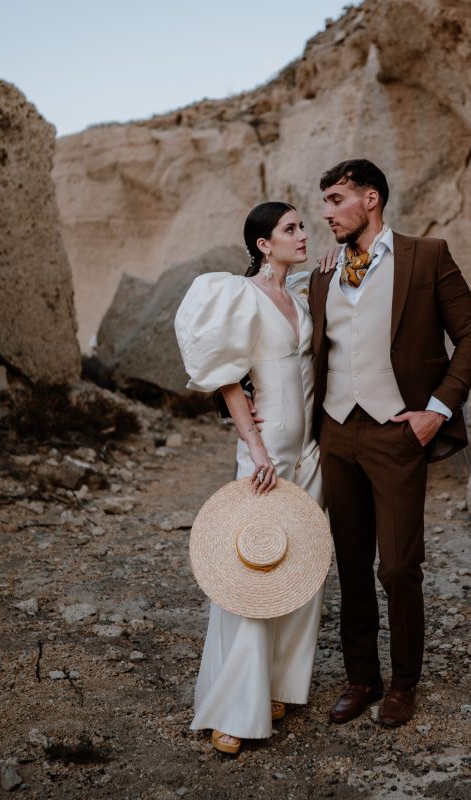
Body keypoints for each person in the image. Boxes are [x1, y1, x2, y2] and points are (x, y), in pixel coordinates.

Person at [308, 159, 471, 727]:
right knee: (353, 563)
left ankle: (404, 683)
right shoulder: (323, 271)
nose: (327, 212)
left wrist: (437, 410)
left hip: (397, 429)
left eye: (337, 199)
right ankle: (363, 677)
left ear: (372, 199)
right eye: (325, 202)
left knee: (399, 565)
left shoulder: (427, 255)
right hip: (337, 429)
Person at [174, 202, 323, 754]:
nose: (302, 235)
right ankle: (232, 707)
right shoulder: (239, 296)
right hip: (267, 456)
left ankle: (278, 684)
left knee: (301, 569)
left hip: (310, 453)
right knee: (248, 576)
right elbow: (230, 380)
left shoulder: (302, 294)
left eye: (302, 226)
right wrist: (254, 445)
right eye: (290, 229)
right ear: (263, 244)